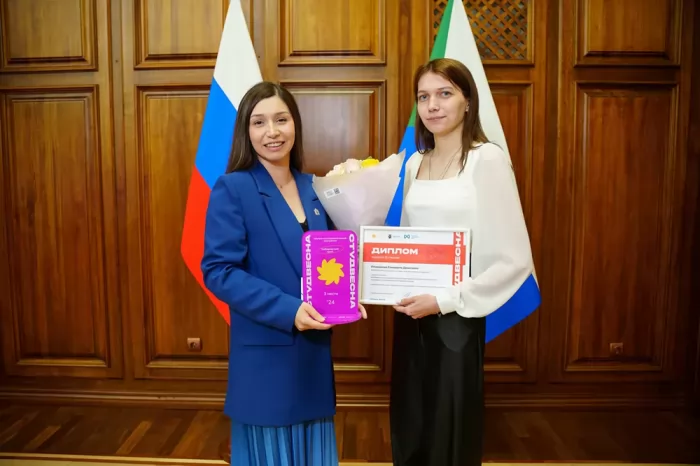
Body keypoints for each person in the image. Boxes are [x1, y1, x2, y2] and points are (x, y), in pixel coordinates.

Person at [201, 81, 367, 466]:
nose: (272, 131)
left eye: (281, 119)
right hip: (267, 358)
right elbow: (219, 271)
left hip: (313, 357)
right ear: (246, 131)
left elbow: (330, 261)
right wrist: (288, 310)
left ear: (296, 125)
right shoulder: (234, 188)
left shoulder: (316, 187)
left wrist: (348, 294)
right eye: (259, 122)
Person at [389, 58, 537, 466]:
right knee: (412, 423)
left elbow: (515, 259)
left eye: (444, 93)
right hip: (411, 314)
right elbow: (406, 241)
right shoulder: (414, 163)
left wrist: (444, 300)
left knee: (449, 430)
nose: (432, 105)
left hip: (456, 315)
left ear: (468, 100)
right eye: (423, 97)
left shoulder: (486, 159)